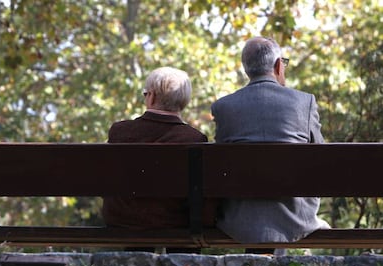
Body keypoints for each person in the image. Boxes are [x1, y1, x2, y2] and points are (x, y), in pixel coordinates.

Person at [211, 37, 330, 252]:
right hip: (294, 218)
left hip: (239, 219)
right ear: (277, 66)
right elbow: (320, 158)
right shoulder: (304, 102)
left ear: (246, 69)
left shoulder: (223, 107)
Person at [102, 66, 215, 252]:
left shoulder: (120, 132)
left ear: (152, 97)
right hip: (176, 222)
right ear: (184, 101)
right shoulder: (194, 139)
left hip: (125, 221)